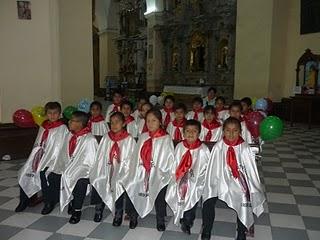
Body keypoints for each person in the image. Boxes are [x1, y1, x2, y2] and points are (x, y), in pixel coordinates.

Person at [201, 117, 265, 240]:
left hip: (238, 182)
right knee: (208, 197)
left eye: (235, 131)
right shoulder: (218, 147)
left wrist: (249, 185)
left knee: (244, 197)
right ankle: (207, 228)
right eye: (228, 130)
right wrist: (213, 184)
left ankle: (241, 230)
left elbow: (250, 171)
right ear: (223, 131)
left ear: (240, 132)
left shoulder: (245, 148)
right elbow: (212, 170)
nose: (231, 134)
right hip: (219, 180)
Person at [123, 109, 174, 231]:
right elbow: (136, 156)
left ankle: (160, 218)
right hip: (141, 171)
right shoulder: (143, 136)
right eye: (148, 121)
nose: (150, 124)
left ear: (160, 122)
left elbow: (169, 157)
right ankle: (133, 215)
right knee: (133, 184)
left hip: (158, 172)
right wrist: (136, 170)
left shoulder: (165, 138)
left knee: (159, 189)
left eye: (154, 121)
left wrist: (156, 170)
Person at [16, 102, 69, 214]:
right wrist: (35, 158)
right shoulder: (44, 126)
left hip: (54, 160)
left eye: (55, 113)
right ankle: (24, 200)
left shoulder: (62, 128)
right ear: (46, 114)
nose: (52, 115)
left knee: (44, 173)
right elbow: (38, 143)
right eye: (50, 113)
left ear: (59, 114)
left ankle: (49, 202)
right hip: (40, 157)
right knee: (24, 171)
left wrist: (49, 159)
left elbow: (61, 148)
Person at [90, 112, 138, 227]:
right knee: (98, 178)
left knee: (118, 183)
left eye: (117, 122)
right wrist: (104, 168)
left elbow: (131, 158)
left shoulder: (129, 139)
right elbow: (101, 155)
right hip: (107, 168)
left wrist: (120, 170)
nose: (114, 125)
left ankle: (118, 213)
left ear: (124, 123)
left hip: (122, 171)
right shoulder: (106, 137)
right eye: (112, 123)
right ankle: (99, 208)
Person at [166, 120, 210, 235]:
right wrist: (175, 177)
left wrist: (196, 179)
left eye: (194, 131)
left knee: (191, 198)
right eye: (187, 131)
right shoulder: (180, 146)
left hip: (195, 181)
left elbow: (206, 167)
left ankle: (188, 221)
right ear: (183, 133)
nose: (190, 134)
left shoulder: (203, 149)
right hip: (180, 178)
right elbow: (174, 162)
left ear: (199, 133)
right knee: (178, 195)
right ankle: (180, 214)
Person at [59, 111, 98, 224]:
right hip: (71, 165)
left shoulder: (89, 139)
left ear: (80, 124)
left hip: (85, 170)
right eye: (70, 119)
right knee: (59, 173)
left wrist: (76, 168)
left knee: (79, 180)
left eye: (73, 120)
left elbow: (91, 162)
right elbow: (64, 154)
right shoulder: (70, 135)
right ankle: (71, 200)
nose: (69, 122)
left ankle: (77, 210)